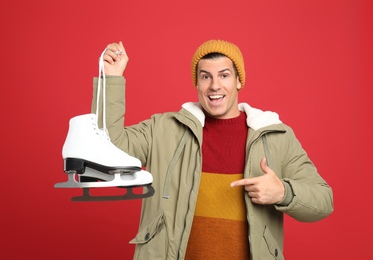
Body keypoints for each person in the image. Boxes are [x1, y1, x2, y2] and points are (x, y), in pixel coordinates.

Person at [91, 39, 334, 260]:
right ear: (197, 82)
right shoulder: (163, 129)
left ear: (239, 81)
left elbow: (323, 201)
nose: (214, 85)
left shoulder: (276, 136)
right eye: (205, 76)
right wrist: (110, 78)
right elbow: (106, 147)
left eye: (224, 75)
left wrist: (283, 192)